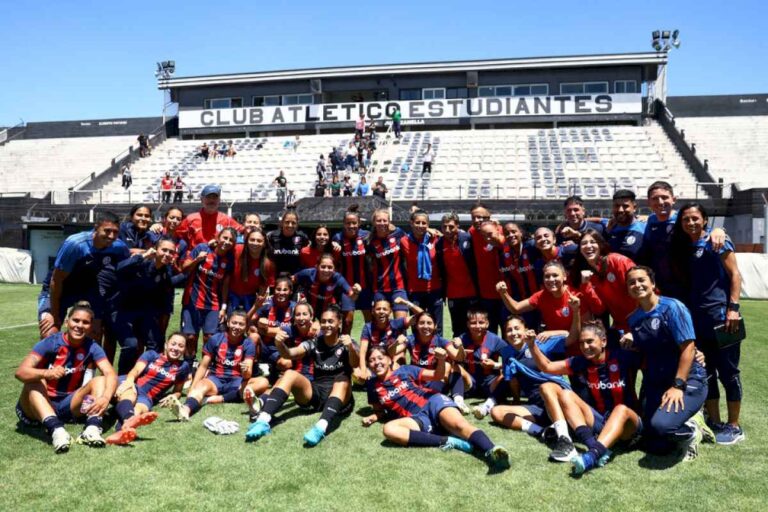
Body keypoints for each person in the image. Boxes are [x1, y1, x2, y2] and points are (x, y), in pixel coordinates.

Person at [361, 346, 510, 470]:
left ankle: (492, 450)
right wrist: (374, 417)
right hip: (416, 418)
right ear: (368, 365)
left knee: (460, 426)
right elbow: (380, 410)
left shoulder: (404, 370)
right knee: (389, 429)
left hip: (433, 402)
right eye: (372, 360)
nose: (377, 363)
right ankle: (447, 441)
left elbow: (437, 375)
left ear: (389, 359)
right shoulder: (372, 386)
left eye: (380, 358)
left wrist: (441, 360)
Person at [670, 203, 745, 444]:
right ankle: (715, 420)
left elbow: (735, 274)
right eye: (685, 220)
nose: (690, 223)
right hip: (698, 321)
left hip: (724, 319)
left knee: (730, 372)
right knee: (706, 372)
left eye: (695, 218)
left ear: (704, 220)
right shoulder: (684, 248)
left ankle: (734, 425)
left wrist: (733, 309)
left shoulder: (718, 241)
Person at [624, 265, 713, 460]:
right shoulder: (634, 319)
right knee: (654, 442)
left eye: (641, 280)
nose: (637, 285)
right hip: (658, 382)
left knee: (662, 426)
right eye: (631, 282)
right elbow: (649, 348)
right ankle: (681, 420)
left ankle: (693, 430)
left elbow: (689, 348)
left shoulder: (672, 307)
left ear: (653, 283)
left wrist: (678, 385)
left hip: (686, 380)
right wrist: (633, 341)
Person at [15, 302, 121, 452]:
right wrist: (47, 373)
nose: (79, 325)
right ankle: (57, 431)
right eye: (75, 320)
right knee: (34, 381)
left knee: (101, 380)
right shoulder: (50, 343)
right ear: (67, 322)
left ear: (90, 327)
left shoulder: (92, 347)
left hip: (67, 404)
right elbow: (20, 372)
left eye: (85, 322)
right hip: (37, 405)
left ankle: (92, 428)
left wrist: (105, 398)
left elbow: (110, 373)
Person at [246, 306, 358, 446]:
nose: (326, 325)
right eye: (323, 321)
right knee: (290, 374)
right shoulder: (314, 342)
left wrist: (351, 348)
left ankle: (320, 428)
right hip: (316, 394)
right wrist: (279, 343)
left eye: (331, 321)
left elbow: (355, 364)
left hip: (341, 397)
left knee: (342, 379)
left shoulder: (347, 343)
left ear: (339, 323)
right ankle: (263, 420)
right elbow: (289, 354)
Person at [489, 314, 576, 462]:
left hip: (556, 397)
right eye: (509, 330)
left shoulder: (541, 343)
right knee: (497, 412)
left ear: (526, 330)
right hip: (536, 404)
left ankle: (564, 438)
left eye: (517, 328)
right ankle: (544, 432)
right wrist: (516, 401)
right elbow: (513, 380)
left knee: (546, 387)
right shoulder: (507, 353)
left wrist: (549, 332)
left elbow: (571, 336)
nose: (513, 333)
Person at [44, 211, 129, 340]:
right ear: (96, 228)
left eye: (115, 232)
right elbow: (56, 280)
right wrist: (55, 316)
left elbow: (128, 254)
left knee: (95, 333)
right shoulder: (76, 244)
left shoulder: (118, 246)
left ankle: (88, 360)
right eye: (107, 231)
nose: (111, 236)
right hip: (61, 287)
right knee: (49, 332)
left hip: (89, 287)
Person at [640, 181, 726, 300]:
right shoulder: (651, 221)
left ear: (673, 199)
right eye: (655, 198)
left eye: (664, 197)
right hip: (661, 287)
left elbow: (704, 232)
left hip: (686, 286)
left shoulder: (683, 219)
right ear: (649, 202)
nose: (660, 202)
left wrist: (718, 230)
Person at [497, 260, 601, 355]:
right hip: (557, 348)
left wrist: (556, 332)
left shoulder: (576, 297)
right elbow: (515, 308)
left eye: (555, 275)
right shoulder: (541, 296)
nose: (551, 279)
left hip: (580, 349)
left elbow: (584, 331)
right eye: (547, 276)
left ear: (564, 276)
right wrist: (503, 292)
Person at [171, 310, 256, 420]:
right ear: (228, 322)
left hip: (236, 382)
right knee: (200, 386)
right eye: (234, 323)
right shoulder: (216, 339)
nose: (237, 327)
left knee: (262, 383)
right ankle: (185, 410)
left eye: (241, 324)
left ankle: (216, 399)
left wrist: (245, 370)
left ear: (246, 326)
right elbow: (203, 366)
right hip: (216, 379)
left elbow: (247, 375)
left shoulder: (248, 343)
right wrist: (192, 387)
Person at [112, 238, 179, 374]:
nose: (167, 254)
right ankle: (122, 378)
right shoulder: (142, 262)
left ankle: (147, 377)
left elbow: (166, 291)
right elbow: (118, 269)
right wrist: (143, 256)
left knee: (156, 343)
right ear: (156, 249)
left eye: (171, 252)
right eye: (164, 250)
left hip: (144, 312)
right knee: (131, 345)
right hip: (123, 310)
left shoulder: (166, 271)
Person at [108, 332, 191, 443]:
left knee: (141, 409)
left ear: (184, 350)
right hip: (132, 384)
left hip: (147, 396)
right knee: (128, 395)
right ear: (166, 345)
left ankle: (121, 431)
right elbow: (135, 370)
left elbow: (178, 391)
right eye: (173, 344)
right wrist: (129, 381)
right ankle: (125, 420)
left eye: (181, 346)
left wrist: (173, 396)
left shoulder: (183, 367)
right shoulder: (151, 355)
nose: (176, 348)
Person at [180, 227, 236, 365]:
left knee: (209, 337)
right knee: (190, 337)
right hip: (191, 301)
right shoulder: (202, 248)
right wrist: (197, 260)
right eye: (225, 237)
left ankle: (206, 366)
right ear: (218, 237)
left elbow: (225, 286)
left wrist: (223, 307)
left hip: (213, 304)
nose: (227, 242)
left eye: (231, 240)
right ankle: (188, 365)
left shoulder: (229, 260)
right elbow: (184, 269)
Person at [572, 229, 637, 333]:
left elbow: (642, 291)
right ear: (580, 249)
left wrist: (636, 323)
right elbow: (599, 308)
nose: (588, 246)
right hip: (621, 326)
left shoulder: (617, 261)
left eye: (593, 242)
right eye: (584, 243)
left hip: (640, 321)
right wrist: (585, 285)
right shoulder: (590, 275)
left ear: (601, 245)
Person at [400, 209, 444, 335]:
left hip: (434, 289)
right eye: (417, 222)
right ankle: (417, 354)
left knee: (436, 327)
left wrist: (437, 232)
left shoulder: (435, 239)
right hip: (415, 292)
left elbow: (448, 237)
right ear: (411, 223)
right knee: (417, 326)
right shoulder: (404, 241)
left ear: (428, 225)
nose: (420, 226)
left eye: (424, 223)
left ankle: (436, 353)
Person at [435, 212, 478, 337]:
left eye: (451, 226)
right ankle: (459, 356)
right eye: (444, 227)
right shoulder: (439, 244)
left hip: (471, 292)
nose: (447, 230)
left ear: (457, 226)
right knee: (457, 329)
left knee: (474, 327)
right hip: (453, 294)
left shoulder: (467, 239)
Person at [334, 206, 373, 334]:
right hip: (346, 288)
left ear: (359, 223)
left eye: (354, 223)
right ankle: (344, 350)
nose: (351, 226)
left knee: (370, 321)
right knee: (347, 321)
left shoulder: (366, 236)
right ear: (343, 224)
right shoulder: (337, 238)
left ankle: (371, 349)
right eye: (348, 223)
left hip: (365, 286)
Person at [365, 208, 409, 319]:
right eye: (379, 220)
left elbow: (416, 234)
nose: (382, 223)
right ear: (374, 222)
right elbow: (369, 265)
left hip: (398, 287)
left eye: (385, 220)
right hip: (379, 289)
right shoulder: (370, 242)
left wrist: (429, 229)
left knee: (400, 325)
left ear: (389, 222)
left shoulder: (398, 234)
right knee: (380, 326)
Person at [467, 204, 505, 333]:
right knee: (489, 332)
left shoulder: (501, 230)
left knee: (508, 331)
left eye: (481, 217)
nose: (477, 220)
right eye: (474, 218)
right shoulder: (472, 232)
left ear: (489, 218)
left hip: (505, 292)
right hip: (486, 293)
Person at [175, 184, 243, 248]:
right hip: (196, 257)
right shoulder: (190, 219)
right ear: (201, 200)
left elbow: (243, 231)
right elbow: (177, 235)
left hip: (219, 257)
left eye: (214, 197)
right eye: (208, 197)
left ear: (219, 200)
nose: (211, 200)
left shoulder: (227, 220)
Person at [293, 253, 361, 319]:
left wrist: (356, 292)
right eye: (323, 267)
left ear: (334, 269)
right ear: (317, 266)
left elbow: (353, 297)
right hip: (308, 310)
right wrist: (296, 295)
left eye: (330, 267)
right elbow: (291, 280)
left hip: (326, 311)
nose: (326, 270)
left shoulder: (337, 278)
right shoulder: (308, 273)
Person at [229, 228, 268, 315]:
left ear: (264, 243)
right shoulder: (236, 249)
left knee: (250, 324)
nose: (255, 243)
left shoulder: (267, 264)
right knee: (230, 323)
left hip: (250, 298)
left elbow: (262, 292)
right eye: (252, 240)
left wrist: (252, 313)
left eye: (259, 240)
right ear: (246, 241)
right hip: (231, 295)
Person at [266, 208, 310, 278]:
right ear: (282, 223)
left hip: (294, 278)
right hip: (275, 278)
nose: (290, 225)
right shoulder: (272, 236)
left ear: (297, 224)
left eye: (293, 223)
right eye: (287, 222)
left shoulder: (302, 237)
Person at [603, 189, 646, 261]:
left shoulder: (644, 229)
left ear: (634, 207)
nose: (620, 210)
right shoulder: (608, 229)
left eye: (625, 206)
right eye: (617, 206)